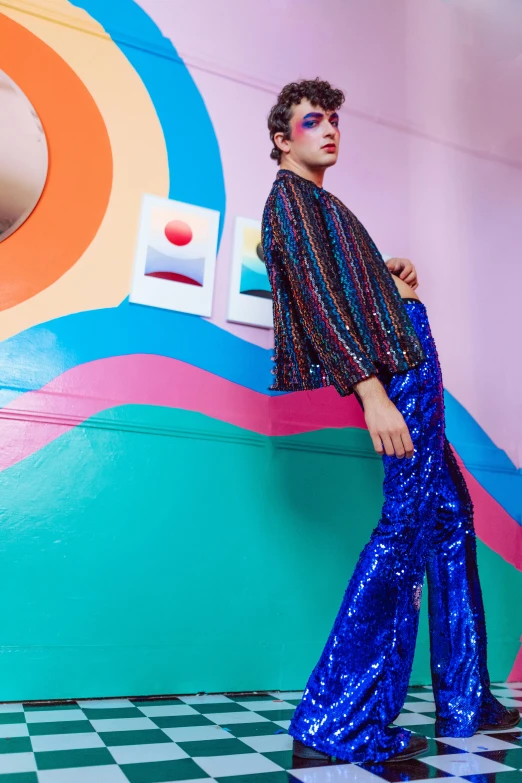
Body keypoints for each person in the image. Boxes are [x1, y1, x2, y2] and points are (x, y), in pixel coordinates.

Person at [261, 77, 520, 766]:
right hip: (395, 374)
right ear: (283, 138)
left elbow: (340, 282)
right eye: (312, 120)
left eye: (334, 119)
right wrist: (371, 392)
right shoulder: (288, 202)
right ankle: (332, 718)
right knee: (406, 526)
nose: (329, 129)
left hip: (404, 359)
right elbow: (318, 301)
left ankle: (466, 698)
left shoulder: (317, 201)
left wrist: (385, 273)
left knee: (451, 516)